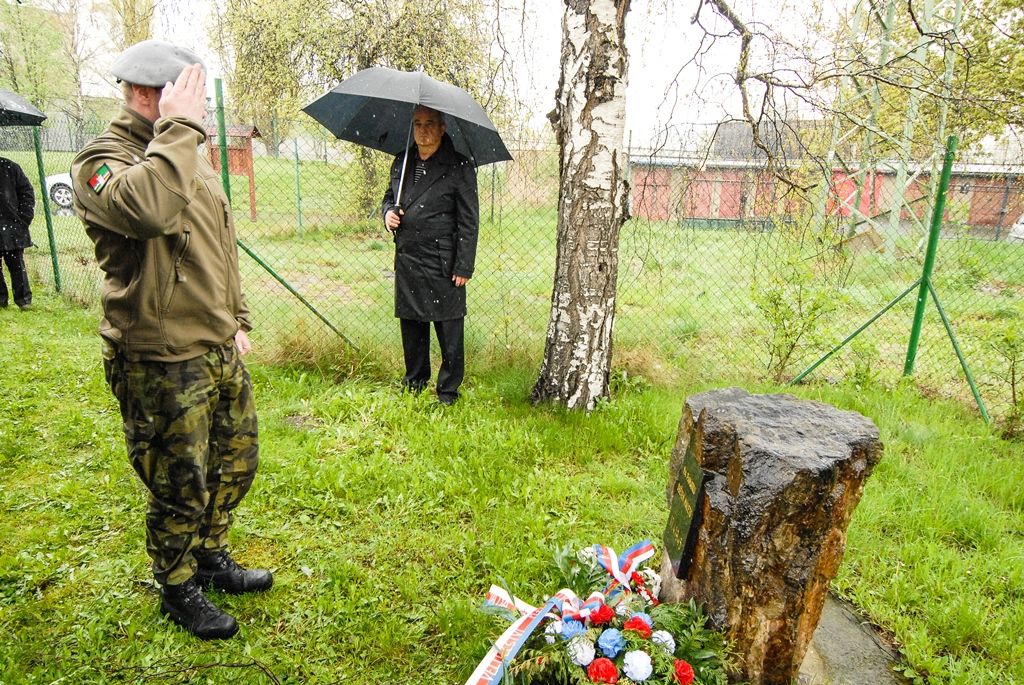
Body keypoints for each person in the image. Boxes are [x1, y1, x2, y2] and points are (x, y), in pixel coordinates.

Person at [70, 40, 270, 640]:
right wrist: (181, 127)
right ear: (143, 94)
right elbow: (150, 209)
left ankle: (210, 555)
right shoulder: (101, 161)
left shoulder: (183, 149)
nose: (200, 110)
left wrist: (235, 318)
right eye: (188, 96)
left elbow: (218, 241)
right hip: (159, 354)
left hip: (212, 342)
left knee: (235, 461)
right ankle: (178, 585)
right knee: (180, 480)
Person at [382, 105, 479, 405]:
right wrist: (388, 214)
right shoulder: (403, 161)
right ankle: (414, 381)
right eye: (417, 124)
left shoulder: (460, 166)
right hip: (409, 257)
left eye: (429, 124)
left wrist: (464, 264)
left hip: (443, 260)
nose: (422, 130)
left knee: (449, 325)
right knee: (412, 323)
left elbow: (469, 220)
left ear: (442, 127)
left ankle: (448, 391)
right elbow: (388, 197)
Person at [0, 156, 36, 310]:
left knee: (16, 264)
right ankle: (1, 300)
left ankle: (24, 300)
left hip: (12, 225)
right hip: (12, 225)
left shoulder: (10, 167)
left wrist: (24, 218)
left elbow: (26, 192)